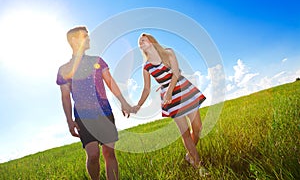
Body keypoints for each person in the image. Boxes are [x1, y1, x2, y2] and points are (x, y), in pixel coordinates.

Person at [56, 26, 131, 180]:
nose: (89, 38)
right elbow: (65, 97)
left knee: (109, 152)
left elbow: (110, 82)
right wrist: (70, 121)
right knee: (93, 155)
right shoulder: (64, 69)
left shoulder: (97, 61)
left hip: (104, 112)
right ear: (74, 40)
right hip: (83, 117)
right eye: (85, 36)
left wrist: (123, 101)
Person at [132, 33, 206, 168]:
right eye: (139, 42)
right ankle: (198, 165)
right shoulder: (147, 67)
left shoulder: (168, 53)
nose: (140, 43)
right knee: (185, 134)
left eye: (143, 40)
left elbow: (176, 73)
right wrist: (138, 105)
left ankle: (189, 155)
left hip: (183, 90)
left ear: (151, 41)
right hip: (169, 99)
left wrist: (170, 91)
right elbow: (146, 89)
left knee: (197, 128)